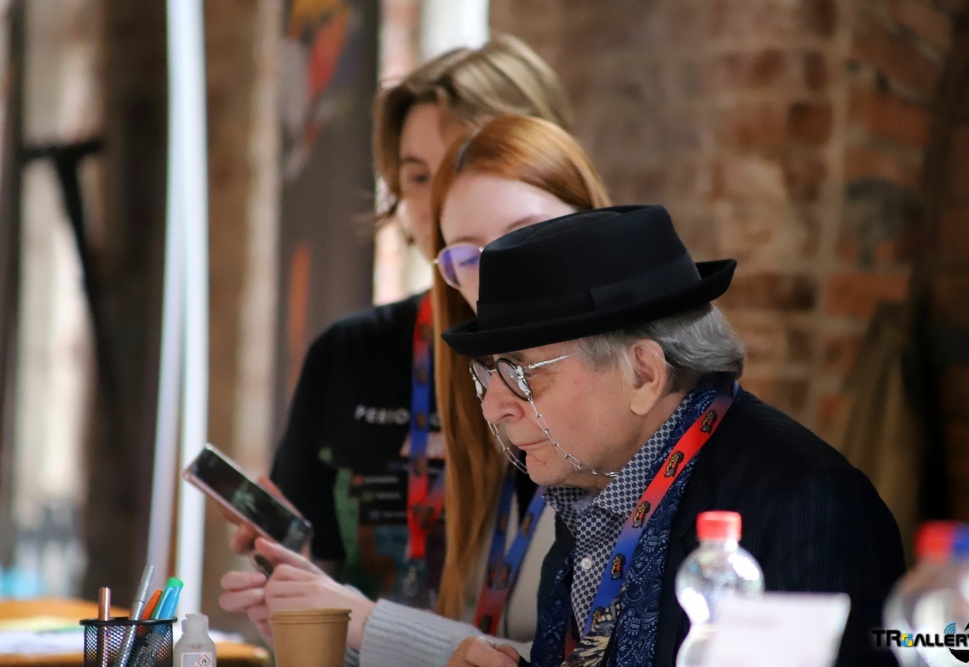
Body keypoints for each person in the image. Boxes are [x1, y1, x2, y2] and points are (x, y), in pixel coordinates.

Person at [220, 115, 612, 665]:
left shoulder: (621, 410)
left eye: (523, 235)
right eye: (467, 257)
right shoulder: (479, 400)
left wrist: (364, 621)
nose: (497, 275)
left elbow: (585, 657)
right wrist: (324, 627)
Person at [443, 205, 906, 667]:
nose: (492, 406)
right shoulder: (591, 480)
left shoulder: (808, 505)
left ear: (643, 375)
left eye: (522, 373)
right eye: (490, 372)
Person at [225, 33, 571, 601]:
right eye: (417, 176)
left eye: (463, 164)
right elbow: (312, 585)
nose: (437, 201)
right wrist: (286, 562)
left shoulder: (596, 361)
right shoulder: (348, 352)